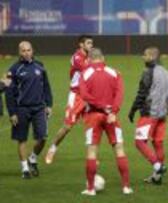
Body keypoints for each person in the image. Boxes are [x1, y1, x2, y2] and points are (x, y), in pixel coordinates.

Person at [79, 48, 133, 196]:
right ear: (103, 57)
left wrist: (101, 106)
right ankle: (126, 187)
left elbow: (84, 95)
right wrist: (112, 111)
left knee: (92, 151)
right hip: (111, 116)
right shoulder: (115, 72)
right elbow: (119, 95)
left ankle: (90, 189)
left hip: (93, 116)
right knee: (119, 149)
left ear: (89, 59)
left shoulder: (85, 74)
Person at [5, 41, 53, 179]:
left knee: (43, 137)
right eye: (23, 50)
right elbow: (9, 93)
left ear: (32, 51)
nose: (26, 53)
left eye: (28, 50)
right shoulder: (14, 69)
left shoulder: (40, 66)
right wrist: (12, 112)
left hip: (39, 108)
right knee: (22, 139)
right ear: (19, 52)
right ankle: (25, 169)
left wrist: (49, 104)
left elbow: (47, 87)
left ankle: (32, 158)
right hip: (21, 109)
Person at [128, 47, 168, 184]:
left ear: (153, 56)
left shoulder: (148, 72)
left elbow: (142, 93)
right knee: (158, 143)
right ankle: (157, 177)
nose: (143, 57)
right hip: (162, 114)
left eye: (145, 55)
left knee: (139, 141)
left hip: (149, 113)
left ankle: (158, 166)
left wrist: (133, 109)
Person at [45, 35, 93, 164]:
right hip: (76, 96)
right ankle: (52, 148)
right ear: (81, 45)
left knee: (92, 125)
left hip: (88, 96)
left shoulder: (90, 57)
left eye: (91, 43)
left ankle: (91, 156)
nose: (91, 45)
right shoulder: (77, 58)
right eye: (88, 43)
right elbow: (89, 70)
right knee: (67, 127)